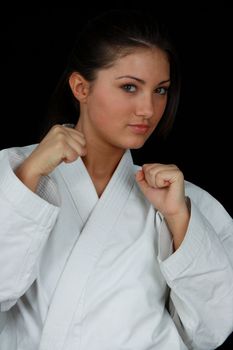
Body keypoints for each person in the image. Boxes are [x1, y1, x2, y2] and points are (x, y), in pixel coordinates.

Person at [0, 9, 232, 350]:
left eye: (161, 91)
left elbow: (212, 330)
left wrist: (180, 219)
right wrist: (28, 177)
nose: (149, 110)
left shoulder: (186, 203)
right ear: (80, 87)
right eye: (129, 87)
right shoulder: (13, 172)